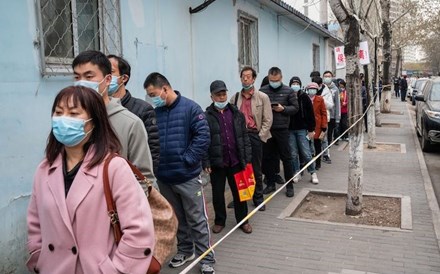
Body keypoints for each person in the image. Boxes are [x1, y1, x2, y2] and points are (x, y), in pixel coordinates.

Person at [27, 86, 155, 274]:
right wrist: (39, 257)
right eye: (59, 112)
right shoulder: (44, 169)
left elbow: (139, 230)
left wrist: (116, 270)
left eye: (73, 113)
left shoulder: (113, 167)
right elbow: (35, 222)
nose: (64, 119)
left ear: (93, 122)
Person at [143, 72, 215, 274]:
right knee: (178, 218)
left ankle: (206, 258)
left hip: (188, 177)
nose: (152, 99)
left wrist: (188, 160)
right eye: (149, 95)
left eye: (154, 94)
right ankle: (185, 250)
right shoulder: (155, 113)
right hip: (165, 177)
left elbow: (203, 136)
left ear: (165, 89)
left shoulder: (190, 108)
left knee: (197, 219)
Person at [72, 50, 155, 188]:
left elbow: (144, 178)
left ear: (108, 79)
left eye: (89, 76)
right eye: (77, 77)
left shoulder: (130, 123)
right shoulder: (70, 121)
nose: (82, 83)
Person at [204, 80, 253, 234]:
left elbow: (244, 137)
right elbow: (203, 141)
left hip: (236, 161)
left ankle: (243, 220)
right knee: (218, 194)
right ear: (211, 97)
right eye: (218, 95)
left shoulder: (237, 113)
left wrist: (247, 157)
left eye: (223, 93)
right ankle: (219, 221)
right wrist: (205, 161)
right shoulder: (206, 117)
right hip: (218, 163)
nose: (221, 97)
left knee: (240, 193)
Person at [107, 55, 160, 174]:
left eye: (110, 72)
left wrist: (146, 184)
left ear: (124, 78)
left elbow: (153, 151)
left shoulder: (142, 109)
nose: (106, 77)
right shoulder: (97, 108)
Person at [230, 66, 273, 211]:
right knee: (239, 167)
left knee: (256, 168)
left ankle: (258, 198)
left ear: (254, 79)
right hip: (239, 137)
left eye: (248, 76)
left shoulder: (262, 97)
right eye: (243, 76)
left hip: (255, 135)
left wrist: (261, 137)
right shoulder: (235, 97)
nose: (245, 79)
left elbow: (268, 119)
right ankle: (239, 198)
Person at [260, 67, 299, 197]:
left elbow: (295, 108)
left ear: (281, 78)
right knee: (268, 158)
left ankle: (289, 185)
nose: (274, 82)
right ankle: (270, 183)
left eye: (276, 80)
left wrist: (283, 109)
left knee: (286, 158)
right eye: (271, 80)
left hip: (282, 130)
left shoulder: (288, 91)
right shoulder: (262, 91)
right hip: (267, 129)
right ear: (268, 78)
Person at [288, 76, 319, 184]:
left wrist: (311, 129)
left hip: (302, 129)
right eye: (293, 83)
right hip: (290, 130)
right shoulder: (288, 96)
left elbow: (310, 114)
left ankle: (313, 172)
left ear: (300, 85)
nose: (295, 85)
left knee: (306, 152)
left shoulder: (304, 97)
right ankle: (296, 172)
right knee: (293, 153)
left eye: (297, 83)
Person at [312, 76, 333, 164]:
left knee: (323, 138)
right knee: (313, 139)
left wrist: (321, 99)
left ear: (321, 85)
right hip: (313, 120)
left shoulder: (326, 92)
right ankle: (314, 155)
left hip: (324, 119)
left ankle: (325, 155)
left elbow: (331, 105)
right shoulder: (310, 90)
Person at [306, 82, 327, 170]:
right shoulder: (305, 98)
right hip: (307, 125)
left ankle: (318, 162)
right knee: (306, 145)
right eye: (310, 89)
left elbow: (323, 113)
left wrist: (324, 125)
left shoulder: (320, 99)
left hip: (317, 125)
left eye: (314, 89)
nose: (312, 91)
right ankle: (306, 163)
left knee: (317, 144)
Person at [322, 71, 340, 163]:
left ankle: (326, 152)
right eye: (325, 76)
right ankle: (322, 151)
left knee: (329, 135)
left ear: (332, 77)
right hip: (323, 116)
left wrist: (337, 117)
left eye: (329, 76)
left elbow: (337, 104)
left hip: (332, 116)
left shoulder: (335, 89)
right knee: (322, 134)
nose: (327, 78)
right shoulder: (320, 88)